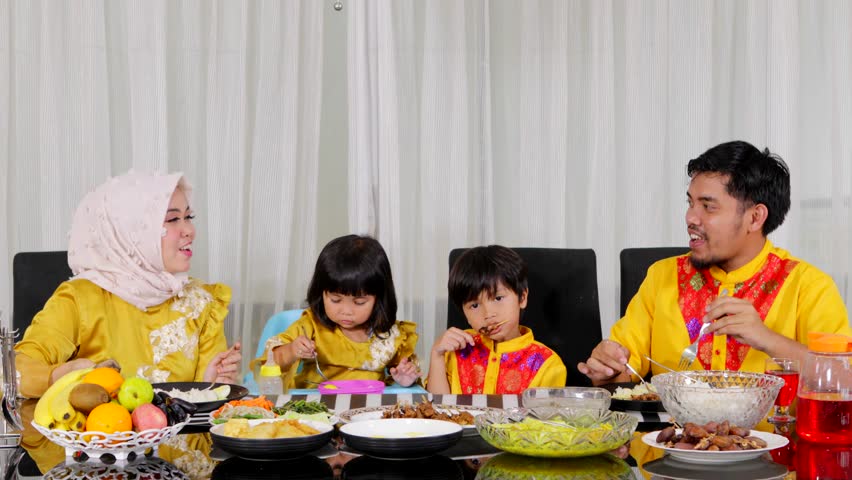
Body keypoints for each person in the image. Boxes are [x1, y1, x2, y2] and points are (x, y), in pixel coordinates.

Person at [578, 140, 852, 385]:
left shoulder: (808, 286)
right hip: (675, 429)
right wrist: (608, 368)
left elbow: (845, 378)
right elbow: (621, 374)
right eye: (690, 203)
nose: (691, 218)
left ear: (755, 218)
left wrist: (767, 339)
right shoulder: (663, 276)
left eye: (708, 206)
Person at [15, 171, 242, 398]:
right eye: (173, 219)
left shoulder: (201, 302)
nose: (190, 231)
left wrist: (211, 385)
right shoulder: (80, 299)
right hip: (103, 422)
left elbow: (203, 405)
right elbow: (16, 372)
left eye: (189, 217)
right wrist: (61, 376)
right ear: (133, 230)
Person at [259, 234, 420, 388]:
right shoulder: (310, 326)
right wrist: (292, 350)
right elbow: (270, 363)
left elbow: (407, 375)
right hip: (316, 404)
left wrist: (403, 379)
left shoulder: (392, 335)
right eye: (335, 300)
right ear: (321, 293)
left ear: (379, 298)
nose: (346, 311)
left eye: (359, 302)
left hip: (369, 404)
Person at [426, 245, 567, 394]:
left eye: (498, 298)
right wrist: (437, 355)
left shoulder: (548, 365)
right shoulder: (456, 348)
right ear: (465, 314)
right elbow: (437, 405)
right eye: (474, 305)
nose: (488, 314)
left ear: (522, 298)